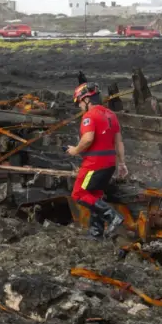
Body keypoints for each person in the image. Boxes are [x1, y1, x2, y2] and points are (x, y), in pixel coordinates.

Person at [64, 82, 128, 238]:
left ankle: (112, 215)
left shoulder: (89, 116)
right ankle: (96, 234)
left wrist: (75, 150)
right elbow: (118, 142)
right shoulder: (111, 115)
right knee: (95, 196)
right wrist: (122, 164)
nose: (79, 106)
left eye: (79, 102)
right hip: (109, 163)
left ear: (86, 100)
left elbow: (87, 139)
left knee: (79, 194)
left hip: (94, 164)